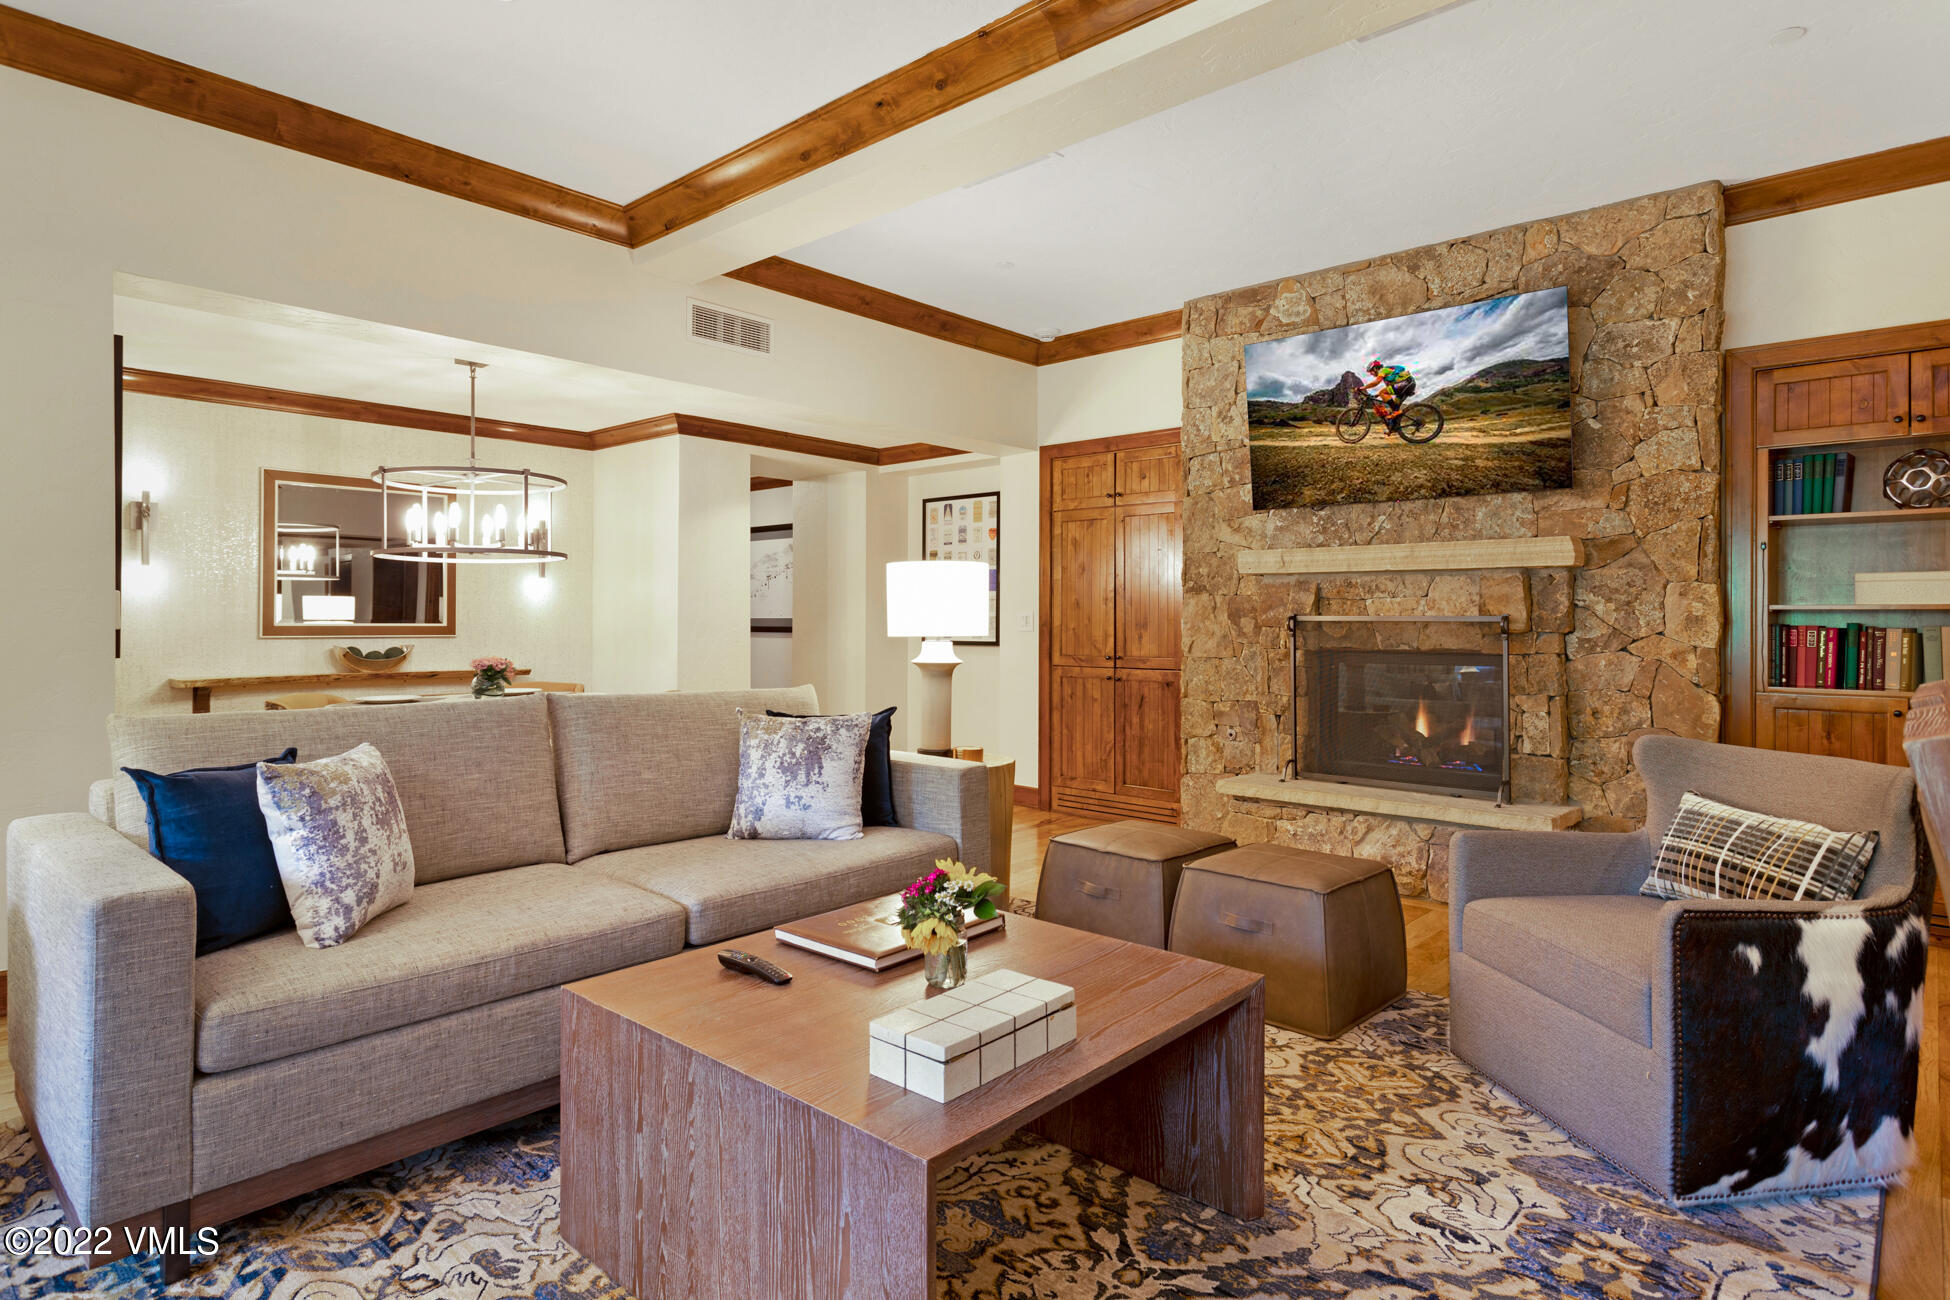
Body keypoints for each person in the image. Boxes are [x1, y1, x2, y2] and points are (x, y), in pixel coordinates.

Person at [1359, 358, 1416, 432]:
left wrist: (1362, 387)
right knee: (1394, 408)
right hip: (1407, 384)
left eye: (1371, 371)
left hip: (1406, 383)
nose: (1371, 374)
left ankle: (1395, 413)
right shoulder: (1387, 377)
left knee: (1383, 393)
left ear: (1375, 368)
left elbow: (1375, 383)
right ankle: (1394, 427)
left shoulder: (1383, 370)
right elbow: (1389, 388)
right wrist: (1377, 395)